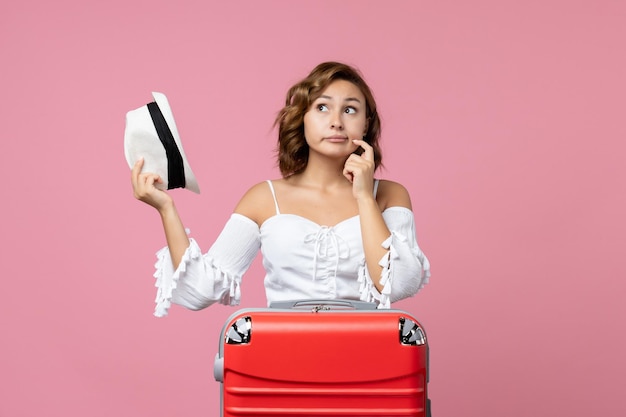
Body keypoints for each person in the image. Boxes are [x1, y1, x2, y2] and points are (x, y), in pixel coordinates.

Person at [131, 62, 430, 317]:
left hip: (367, 361)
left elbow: (397, 284)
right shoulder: (264, 198)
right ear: (302, 119)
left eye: (350, 110)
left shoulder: (390, 195)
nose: (337, 122)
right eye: (322, 107)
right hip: (281, 359)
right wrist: (166, 208)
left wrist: (364, 196)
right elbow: (201, 290)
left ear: (365, 124)